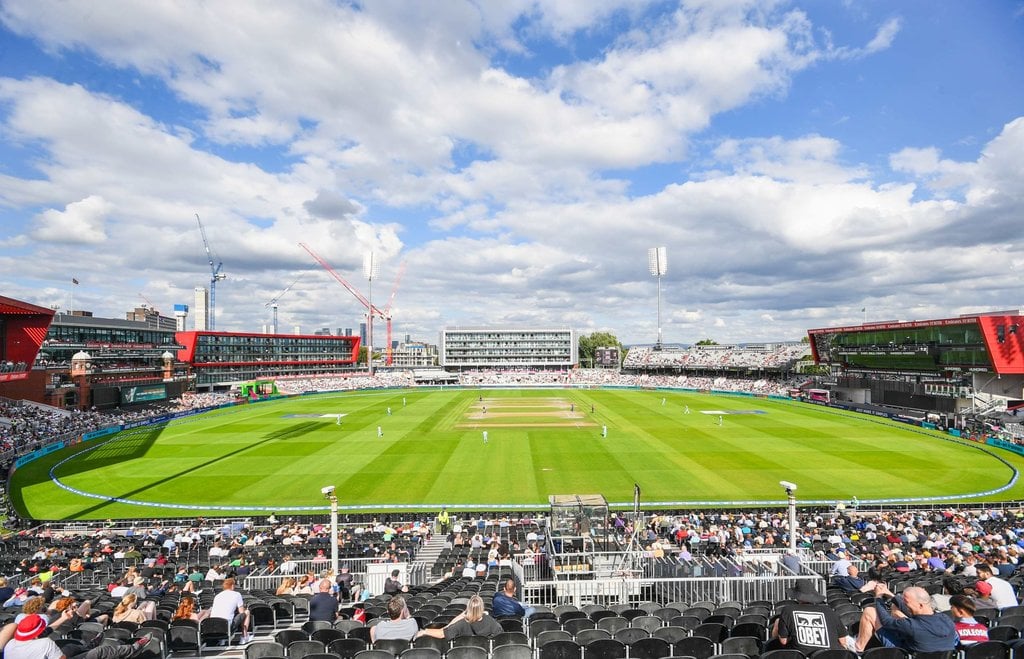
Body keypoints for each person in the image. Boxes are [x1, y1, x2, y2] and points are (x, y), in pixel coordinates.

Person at [853, 584, 957, 654]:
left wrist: (879, 597)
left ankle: (858, 648)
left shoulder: (912, 626)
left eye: (907, 603)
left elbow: (885, 621)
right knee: (898, 612)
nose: (906, 606)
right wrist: (889, 594)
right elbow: (911, 612)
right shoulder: (946, 619)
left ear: (920, 605)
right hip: (938, 654)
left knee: (870, 611)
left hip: (905, 653)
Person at [774, 581, 851, 655]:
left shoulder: (788, 610)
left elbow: (783, 641)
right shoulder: (829, 611)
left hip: (801, 655)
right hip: (831, 655)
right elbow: (843, 641)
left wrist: (777, 624)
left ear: (796, 596)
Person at [416, 595, 502, 640]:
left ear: (468, 608)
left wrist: (425, 631)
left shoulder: (462, 623)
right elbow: (500, 633)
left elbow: (442, 634)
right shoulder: (490, 621)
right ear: (482, 607)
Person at [210, 577, 251, 644]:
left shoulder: (217, 596)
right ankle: (244, 636)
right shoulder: (237, 594)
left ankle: (221, 640)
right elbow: (242, 612)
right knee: (247, 612)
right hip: (226, 626)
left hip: (213, 626)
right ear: (232, 586)